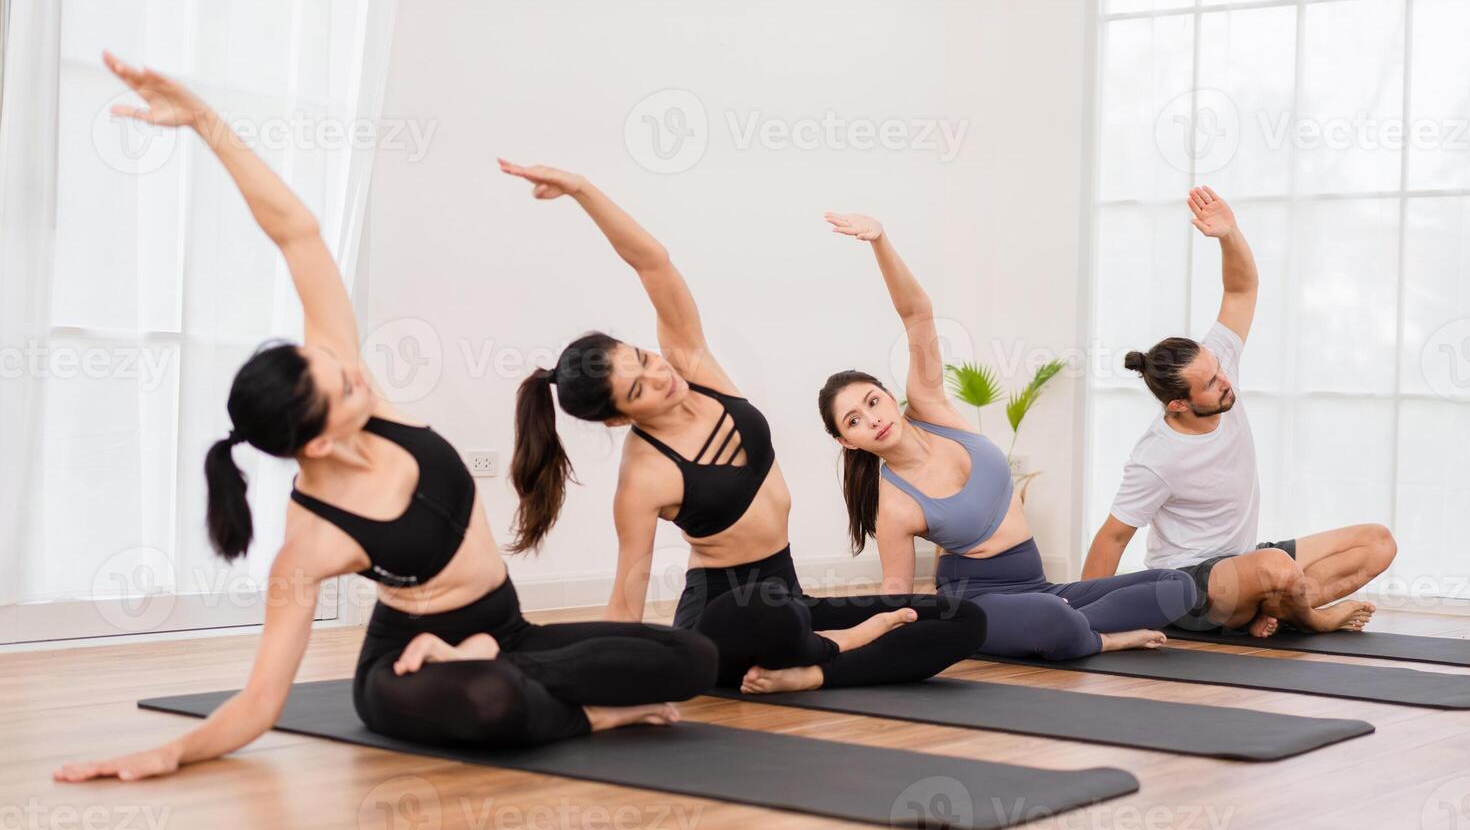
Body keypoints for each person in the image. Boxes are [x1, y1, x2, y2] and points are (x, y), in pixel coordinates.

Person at [53, 56, 717, 785]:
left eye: (336, 362)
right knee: (490, 704)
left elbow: (296, 234)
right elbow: (259, 702)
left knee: (692, 658)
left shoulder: (356, 397)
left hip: (506, 632)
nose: (356, 370)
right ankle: (589, 714)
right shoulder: (310, 543)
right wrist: (171, 752)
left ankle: (502, 671)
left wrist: (209, 124)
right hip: (406, 665)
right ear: (320, 441)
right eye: (342, 384)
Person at [499, 160, 986, 694]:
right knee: (765, 614)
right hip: (724, 617)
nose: (659, 375)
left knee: (959, 618)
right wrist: (614, 692)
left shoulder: (696, 370)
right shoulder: (644, 474)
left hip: (789, 599)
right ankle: (838, 647)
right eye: (638, 389)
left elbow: (653, 264)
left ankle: (813, 670)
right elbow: (625, 603)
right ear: (619, 417)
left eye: (643, 358)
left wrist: (583, 188)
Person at [817, 212, 1196, 661]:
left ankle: (1069, 630)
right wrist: (862, 643)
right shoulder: (892, 503)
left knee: (1179, 587)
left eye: (872, 401)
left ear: (887, 394)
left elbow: (917, 313)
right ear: (848, 442)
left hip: (1042, 587)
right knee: (1054, 621)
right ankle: (1101, 638)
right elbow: (896, 593)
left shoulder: (931, 408)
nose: (872, 419)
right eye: (854, 421)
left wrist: (880, 240)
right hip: (976, 599)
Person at [1081, 186, 1397, 637]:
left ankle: (1274, 606)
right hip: (1188, 586)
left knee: (1377, 542)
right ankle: (1313, 618)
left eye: (1218, 371)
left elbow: (1241, 287)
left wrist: (1229, 235)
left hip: (1245, 560)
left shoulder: (1218, 365)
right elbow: (1112, 537)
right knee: (1274, 566)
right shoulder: (1156, 457)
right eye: (1210, 383)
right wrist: (1083, 620)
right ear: (1179, 405)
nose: (1226, 380)